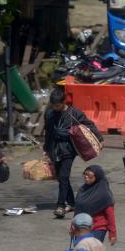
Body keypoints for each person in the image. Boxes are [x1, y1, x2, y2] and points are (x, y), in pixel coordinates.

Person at [43, 88, 104, 219]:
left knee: (64, 177)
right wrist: (46, 148)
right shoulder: (49, 114)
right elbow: (48, 132)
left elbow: (89, 125)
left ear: (64, 102)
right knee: (61, 178)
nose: (55, 108)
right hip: (55, 149)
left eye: (58, 105)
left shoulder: (74, 113)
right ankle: (71, 203)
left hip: (69, 149)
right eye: (53, 105)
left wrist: (99, 138)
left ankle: (60, 206)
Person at [75, 165, 117, 245]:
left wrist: (112, 234)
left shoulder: (104, 194)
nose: (86, 177)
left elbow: (110, 215)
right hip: (81, 228)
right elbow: (77, 209)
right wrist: (73, 226)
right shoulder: (82, 190)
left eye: (89, 175)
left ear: (97, 176)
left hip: (97, 229)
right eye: (85, 174)